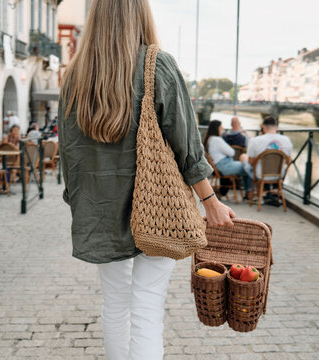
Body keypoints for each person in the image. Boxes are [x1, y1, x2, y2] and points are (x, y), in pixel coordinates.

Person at [58, 1, 235, 359]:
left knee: (115, 305)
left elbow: (70, 154)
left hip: (100, 211)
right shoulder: (157, 65)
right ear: (140, 14)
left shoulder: (75, 76)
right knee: (147, 309)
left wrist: (79, 202)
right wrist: (210, 203)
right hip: (159, 209)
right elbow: (187, 148)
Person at [203, 120, 252, 197]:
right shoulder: (217, 139)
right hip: (225, 165)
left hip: (221, 165)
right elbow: (232, 152)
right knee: (249, 166)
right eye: (221, 127)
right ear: (217, 128)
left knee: (247, 166)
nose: (222, 128)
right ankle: (249, 192)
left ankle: (248, 192)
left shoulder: (210, 139)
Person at [243, 116, 293, 181]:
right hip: (279, 175)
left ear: (263, 127)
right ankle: (273, 187)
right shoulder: (286, 140)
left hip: (260, 176)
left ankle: (251, 188)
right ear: (276, 127)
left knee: (244, 159)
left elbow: (251, 161)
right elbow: (288, 161)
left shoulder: (254, 140)